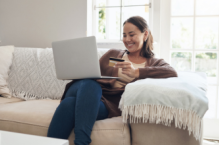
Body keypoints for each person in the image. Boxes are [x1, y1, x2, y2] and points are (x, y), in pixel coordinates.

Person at [47, 16, 177, 145]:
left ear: (145, 34)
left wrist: (136, 72)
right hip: (87, 90)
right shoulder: (115, 55)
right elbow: (91, 71)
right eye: (124, 35)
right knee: (90, 84)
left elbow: (171, 72)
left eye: (131, 35)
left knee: (69, 104)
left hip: (109, 104)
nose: (127, 39)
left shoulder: (153, 62)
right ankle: (82, 142)